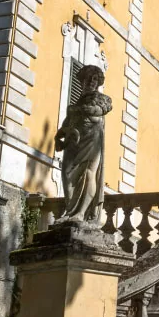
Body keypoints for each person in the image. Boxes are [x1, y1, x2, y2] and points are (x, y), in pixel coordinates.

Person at [54, 64, 112, 224]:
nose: (91, 82)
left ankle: (81, 213)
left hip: (92, 141)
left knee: (88, 174)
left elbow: (98, 111)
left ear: (99, 82)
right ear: (82, 81)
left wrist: (76, 110)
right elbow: (67, 123)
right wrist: (58, 137)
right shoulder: (77, 103)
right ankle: (70, 210)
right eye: (87, 78)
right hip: (73, 142)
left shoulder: (103, 100)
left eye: (94, 79)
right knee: (67, 175)